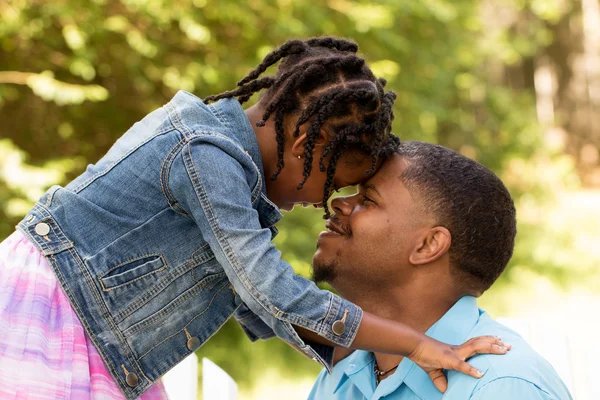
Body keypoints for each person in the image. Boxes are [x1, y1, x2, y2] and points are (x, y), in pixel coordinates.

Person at [0, 38, 506, 400]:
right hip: (50, 312)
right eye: (327, 182)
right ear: (306, 146)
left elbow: (255, 303)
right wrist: (416, 343)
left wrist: (355, 360)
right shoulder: (205, 155)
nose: (323, 202)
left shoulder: (232, 175)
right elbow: (270, 289)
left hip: (101, 331)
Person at [308, 141, 573, 399]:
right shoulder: (345, 372)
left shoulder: (501, 387)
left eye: (368, 199)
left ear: (428, 245)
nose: (339, 203)